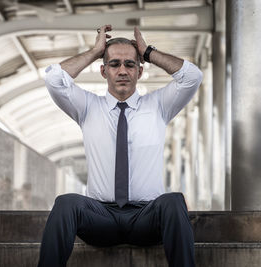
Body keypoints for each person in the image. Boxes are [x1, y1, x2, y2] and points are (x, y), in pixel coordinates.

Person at [38, 25, 203, 267]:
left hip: (146, 217)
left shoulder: (158, 105)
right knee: (66, 203)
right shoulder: (87, 107)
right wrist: (95, 52)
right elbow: (54, 78)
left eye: (130, 64)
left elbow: (193, 77)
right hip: (101, 217)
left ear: (140, 71)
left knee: (174, 201)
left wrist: (147, 51)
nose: (122, 70)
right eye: (114, 64)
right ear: (104, 71)